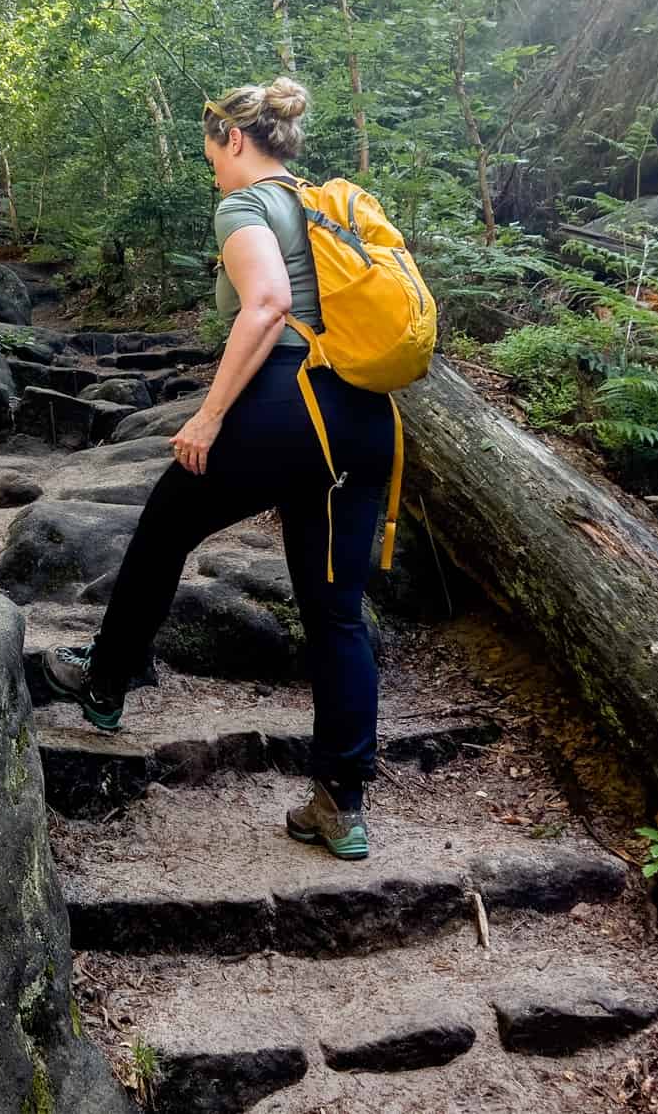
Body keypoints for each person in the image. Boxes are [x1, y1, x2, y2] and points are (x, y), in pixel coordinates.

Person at [41, 77, 396, 861]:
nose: (212, 172)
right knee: (336, 613)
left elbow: (266, 305)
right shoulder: (328, 205)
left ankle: (105, 681)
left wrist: (207, 415)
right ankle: (341, 803)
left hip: (291, 399)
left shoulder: (247, 206)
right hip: (366, 422)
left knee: (167, 520)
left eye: (211, 155)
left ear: (234, 140)